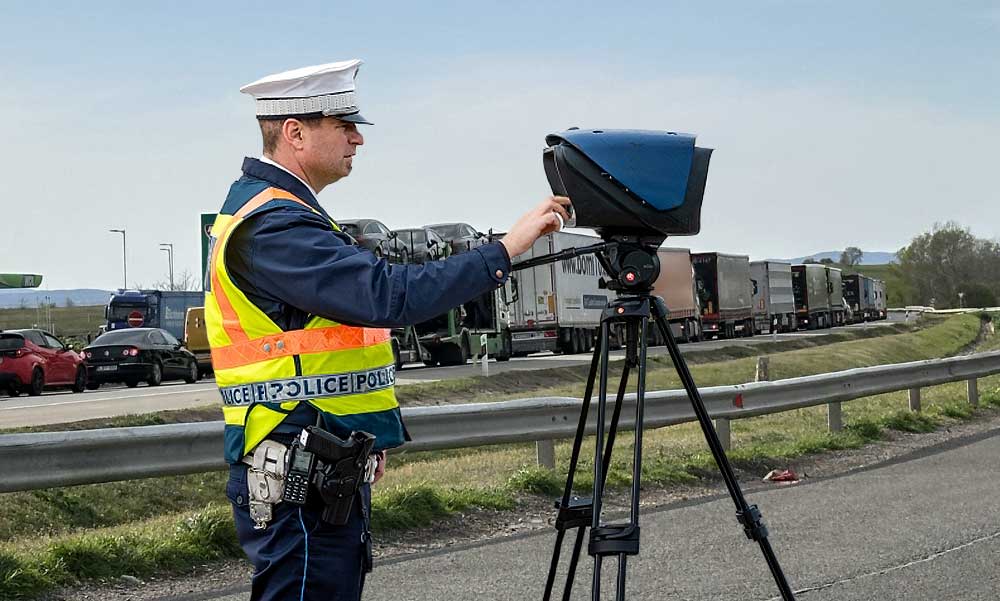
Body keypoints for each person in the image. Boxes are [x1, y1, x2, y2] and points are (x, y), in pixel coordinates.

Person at [205, 59, 571, 601]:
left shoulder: (288, 214)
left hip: (319, 464)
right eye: (344, 125)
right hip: (298, 476)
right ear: (296, 132)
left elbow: (324, 352)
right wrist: (505, 250)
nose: (358, 139)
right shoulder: (275, 225)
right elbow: (388, 296)